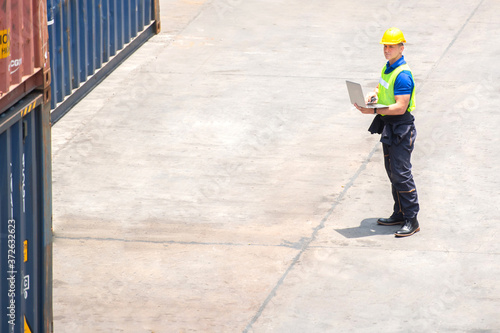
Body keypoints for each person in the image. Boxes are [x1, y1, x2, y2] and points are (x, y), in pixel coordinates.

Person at [353, 27, 419, 237]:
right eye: (385, 46)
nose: (387, 49)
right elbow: (382, 89)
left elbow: (400, 107)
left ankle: (412, 219)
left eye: (391, 46)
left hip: (401, 127)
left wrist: (372, 110)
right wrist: (374, 95)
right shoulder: (388, 68)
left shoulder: (403, 75)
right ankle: (399, 213)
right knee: (392, 172)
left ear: (401, 47)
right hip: (389, 126)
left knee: (401, 173)